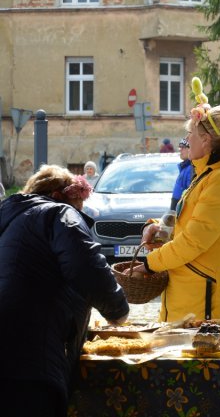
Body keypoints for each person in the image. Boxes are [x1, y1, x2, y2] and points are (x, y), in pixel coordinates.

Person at [0, 165, 129, 417]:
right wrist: (118, 310)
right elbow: (86, 266)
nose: (79, 211)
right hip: (30, 356)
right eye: (77, 203)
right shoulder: (59, 213)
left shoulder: (12, 218)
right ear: (60, 196)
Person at [128, 77, 220, 322]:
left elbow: (194, 241)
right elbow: (191, 223)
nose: (187, 142)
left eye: (190, 135)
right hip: (194, 295)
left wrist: (149, 264)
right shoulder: (209, 175)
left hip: (208, 301)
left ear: (206, 140)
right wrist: (159, 229)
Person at [170, 138, 193, 211]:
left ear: (190, 148)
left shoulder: (191, 169)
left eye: (183, 147)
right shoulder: (185, 168)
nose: (180, 149)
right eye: (179, 147)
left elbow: (190, 196)